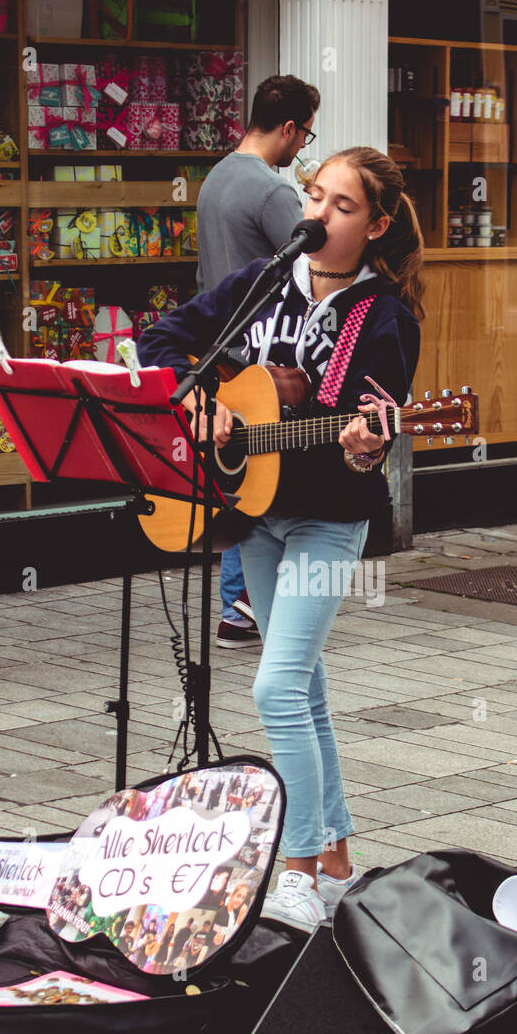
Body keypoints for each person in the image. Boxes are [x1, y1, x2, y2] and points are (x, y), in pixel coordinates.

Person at [138, 147, 423, 932]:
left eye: (341, 206)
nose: (317, 215)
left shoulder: (384, 318)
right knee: (305, 686)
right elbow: (161, 339)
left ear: (377, 225)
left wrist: (369, 442)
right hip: (249, 510)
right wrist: (198, 404)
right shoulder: (264, 283)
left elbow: (366, 422)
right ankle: (335, 860)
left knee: (276, 687)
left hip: (328, 517)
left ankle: (295, 870)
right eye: (314, 197)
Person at [196, 74, 320, 649]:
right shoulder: (274, 194)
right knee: (266, 472)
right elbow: (308, 271)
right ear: (289, 127)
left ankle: (236, 607)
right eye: (306, 135)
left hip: (222, 348)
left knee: (239, 470)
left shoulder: (216, 177)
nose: (303, 148)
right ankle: (246, 607)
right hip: (266, 354)